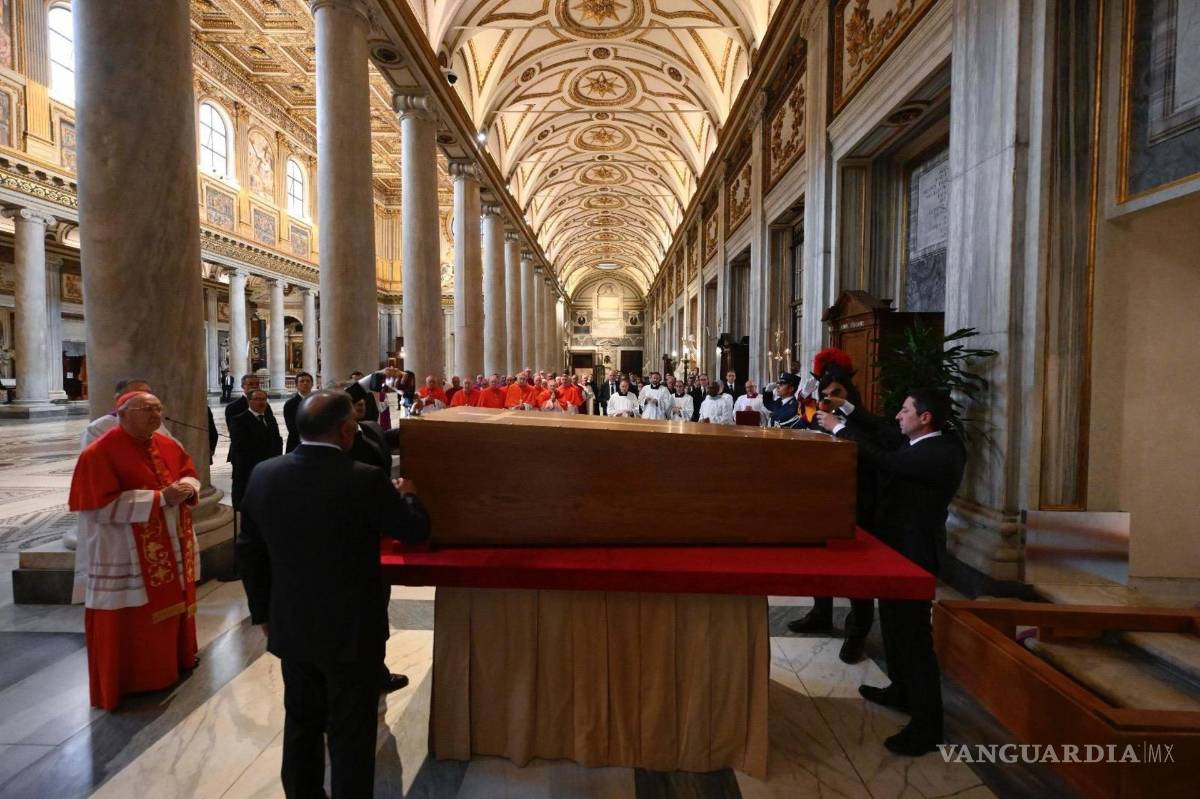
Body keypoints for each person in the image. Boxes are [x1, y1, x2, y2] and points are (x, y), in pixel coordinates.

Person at [236, 390, 431, 796]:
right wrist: (409, 494)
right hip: (351, 628)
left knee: (301, 721)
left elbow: (249, 551)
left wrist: (264, 613)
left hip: (292, 623)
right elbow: (413, 531)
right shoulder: (364, 478)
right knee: (351, 730)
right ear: (345, 430)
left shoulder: (264, 474)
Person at [816, 388, 965, 756]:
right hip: (895, 549)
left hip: (915, 553)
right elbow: (880, 427)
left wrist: (839, 429)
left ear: (925, 418)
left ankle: (928, 726)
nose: (898, 415)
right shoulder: (917, 440)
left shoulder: (942, 452)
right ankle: (901, 690)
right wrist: (846, 408)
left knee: (914, 638)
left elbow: (886, 461)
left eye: (904, 409)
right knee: (894, 628)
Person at [69, 391, 201, 709]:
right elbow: (95, 508)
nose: (156, 416)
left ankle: (172, 664)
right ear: (122, 414)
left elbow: (188, 472)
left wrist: (189, 487)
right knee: (131, 619)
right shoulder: (99, 453)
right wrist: (158, 499)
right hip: (123, 552)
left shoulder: (167, 444)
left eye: (158, 409)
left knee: (171, 607)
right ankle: (133, 679)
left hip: (167, 543)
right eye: (147, 409)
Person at [788, 353, 879, 663]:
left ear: (848, 393)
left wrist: (839, 426)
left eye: (837, 393)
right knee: (820, 562)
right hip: (824, 499)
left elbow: (869, 454)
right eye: (826, 395)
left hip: (857, 501)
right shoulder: (821, 415)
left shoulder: (862, 421)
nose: (830, 400)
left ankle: (858, 630)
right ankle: (820, 613)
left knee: (857, 571)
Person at [81, 378, 180, 449]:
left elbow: (177, 452)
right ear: (119, 399)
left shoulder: (155, 425)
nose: (146, 398)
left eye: (148, 394)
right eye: (137, 394)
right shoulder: (97, 428)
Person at [228, 389, 283, 509]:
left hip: (270, 468)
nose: (261, 402)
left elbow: (277, 440)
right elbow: (240, 446)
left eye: (263, 399)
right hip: (249, 469)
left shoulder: (270, 419)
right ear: (249, 401)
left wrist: (276, 461)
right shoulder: (239, 420)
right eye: (257, 399)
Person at [225, 374, 276, 464]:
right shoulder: (233, 407)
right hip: (244, 457)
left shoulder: (265, 405)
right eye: (251, 384)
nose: (255, 386)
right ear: (243, 386)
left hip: (267, 456)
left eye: (257, 384)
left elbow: (272, 430)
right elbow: (235, 434)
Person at [283, 371, 314, 453]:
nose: (305, 383)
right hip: (296, 444)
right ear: (296, 385)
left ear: (312, 384)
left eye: (308, 381)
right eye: (302, 381)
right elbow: (292, 428)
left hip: (317, 444)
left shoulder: (319, 401)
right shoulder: (290, 404)